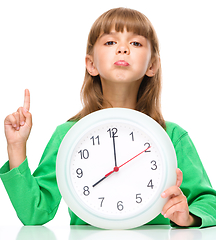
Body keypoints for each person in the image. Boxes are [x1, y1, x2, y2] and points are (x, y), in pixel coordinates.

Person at [1, 7, 216, 228]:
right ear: (91, 64)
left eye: (136, 43)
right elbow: (35, 213)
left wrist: (188, 216)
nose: (123, 49)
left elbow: (209, 203)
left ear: (152, 65)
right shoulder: (68, 135)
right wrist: (16, 147)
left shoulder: (171, 136)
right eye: (111, 42)